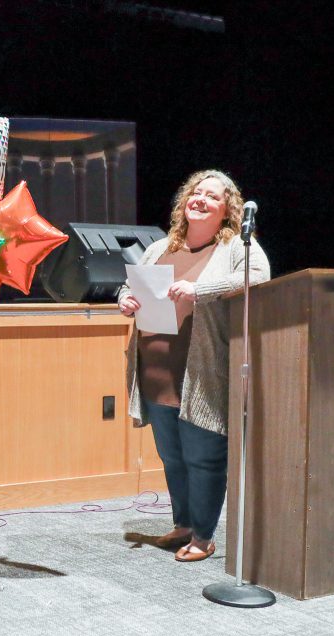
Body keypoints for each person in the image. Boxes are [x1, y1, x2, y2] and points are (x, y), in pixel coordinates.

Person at [118, 169, 270, 562]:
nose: (200, 200)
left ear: (227, 210)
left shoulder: (235, 247)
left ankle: (203, 536)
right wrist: (125, 300)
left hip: (201, 372)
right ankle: (183, 523)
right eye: (195, 193)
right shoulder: (161, 247)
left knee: (203, 457)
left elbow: (259, 275)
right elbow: (129, 285)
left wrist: (198, 289)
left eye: (212, 196)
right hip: (156, 371)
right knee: (172, 456)